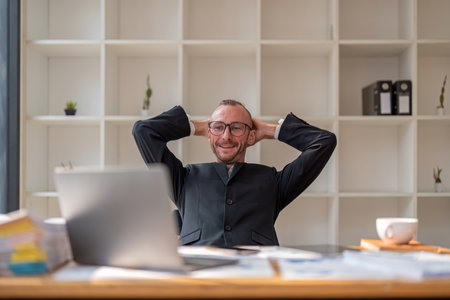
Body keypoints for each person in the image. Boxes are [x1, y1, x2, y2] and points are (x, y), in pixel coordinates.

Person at [132, 100, 336, 247]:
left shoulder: (274, 182)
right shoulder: (183, 179)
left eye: (237, 128)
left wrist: (270, 130)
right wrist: (196, 127)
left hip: (255, 282)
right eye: (219, 128)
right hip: (198, 283)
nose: (226, 136)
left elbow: (323, 142)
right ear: (209, 134)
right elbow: (143, 131)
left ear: (250, 136)